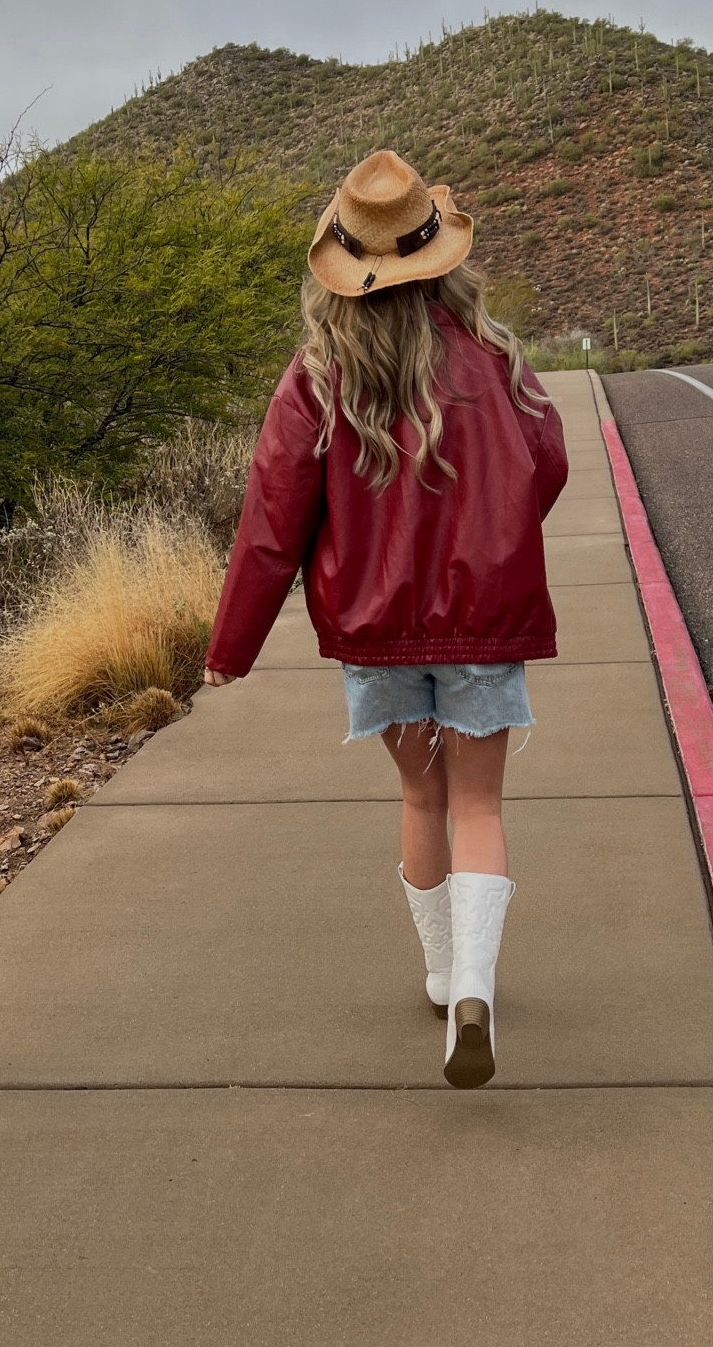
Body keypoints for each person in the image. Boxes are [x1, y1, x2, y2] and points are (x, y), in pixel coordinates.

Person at [203, 149, 568, 1088]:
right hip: (486, 623)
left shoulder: (318, 374)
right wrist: (492, 544)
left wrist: (230, 649)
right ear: (441, 258)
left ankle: (443, 977)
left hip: (375, 632)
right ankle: (478, 988)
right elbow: (548, 468)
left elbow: (272, 521)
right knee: (482, 803)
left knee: (423, 798)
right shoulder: (494, 358)